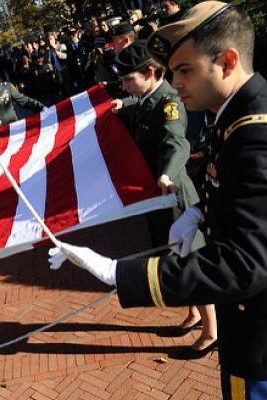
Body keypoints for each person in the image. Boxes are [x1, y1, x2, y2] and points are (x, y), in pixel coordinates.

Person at [49, 2, 267, 399]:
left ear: (227, 61)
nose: (174, 82)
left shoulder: (258, 133)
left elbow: (245, 262)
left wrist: (119, 273)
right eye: (173, 71)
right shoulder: (240, 114)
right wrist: (198, 211)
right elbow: (248, 199)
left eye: (185, 70)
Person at [112, 41, 216, 357]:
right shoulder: (145, 99)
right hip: (157, 198)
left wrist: (168, 173)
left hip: (174, 195)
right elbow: (139, 106)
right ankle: (194, 314)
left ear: (150, 72)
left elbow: (177, 142)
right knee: (175, 256)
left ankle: (212, 331)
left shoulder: (170, 103)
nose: (125, 85)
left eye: (129, 79)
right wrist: (122, 103)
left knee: (191, 260)